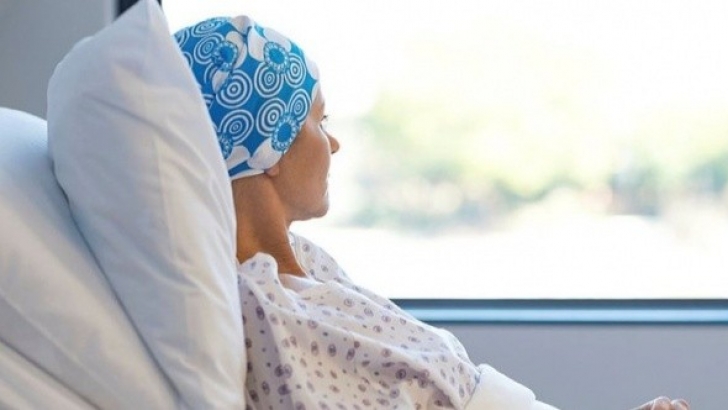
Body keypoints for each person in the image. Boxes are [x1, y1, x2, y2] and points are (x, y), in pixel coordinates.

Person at [174, 16, 690, 410]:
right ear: (270, 141)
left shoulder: (308, 264)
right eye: (319, 120)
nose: (333, 142)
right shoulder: (266, 309)